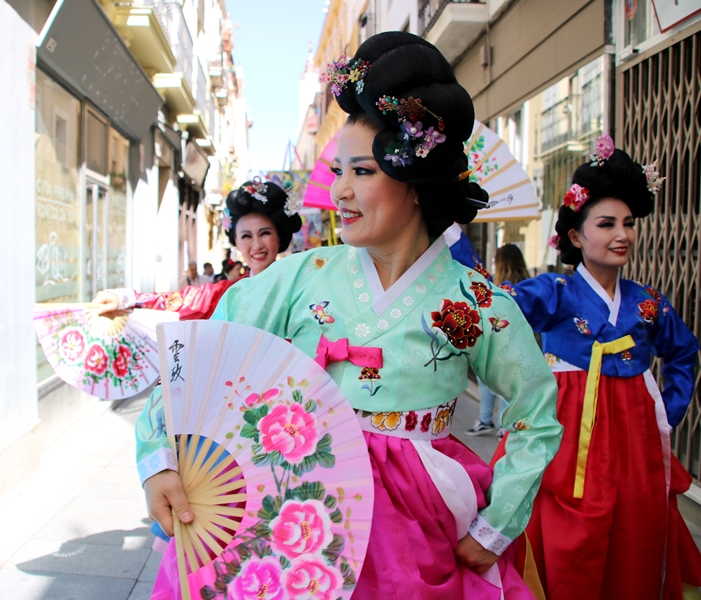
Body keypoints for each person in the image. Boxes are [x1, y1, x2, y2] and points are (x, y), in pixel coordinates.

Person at [137, 32, 562, 598]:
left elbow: (536, 410)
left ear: (413, 179)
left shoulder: (476, 302)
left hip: (415, 520)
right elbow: (197, 358)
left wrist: (498, 522)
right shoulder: (298, 279)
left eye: (361, 171)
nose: (339, 191)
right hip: (291, 504)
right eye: (339, 171)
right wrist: (159, 457)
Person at [492, 136, 701, 599]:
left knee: (637, 532)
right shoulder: (556, 293)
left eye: (628, 223)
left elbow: (685, 352)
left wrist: (665, 411)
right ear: (575, 236)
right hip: (569, 436)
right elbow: (495, 314)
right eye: (606, 224)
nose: (621, 234)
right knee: (569, 539)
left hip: (637, 440)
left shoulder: (649, 304)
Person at [94, 179, 302, 321]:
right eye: (246, 236)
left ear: (280, 236)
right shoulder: (226, 294)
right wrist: (124, 299)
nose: (256, 245)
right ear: (236, 242)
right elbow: (177, 302)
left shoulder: (302, 289)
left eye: (265, 233)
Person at [465, 244, 530, 438]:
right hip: (518, 344)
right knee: (504, 384)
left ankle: (489, 421)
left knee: (490, 382)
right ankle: (501, 423)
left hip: (497, 342)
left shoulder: (501, 287)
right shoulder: (527, 284)